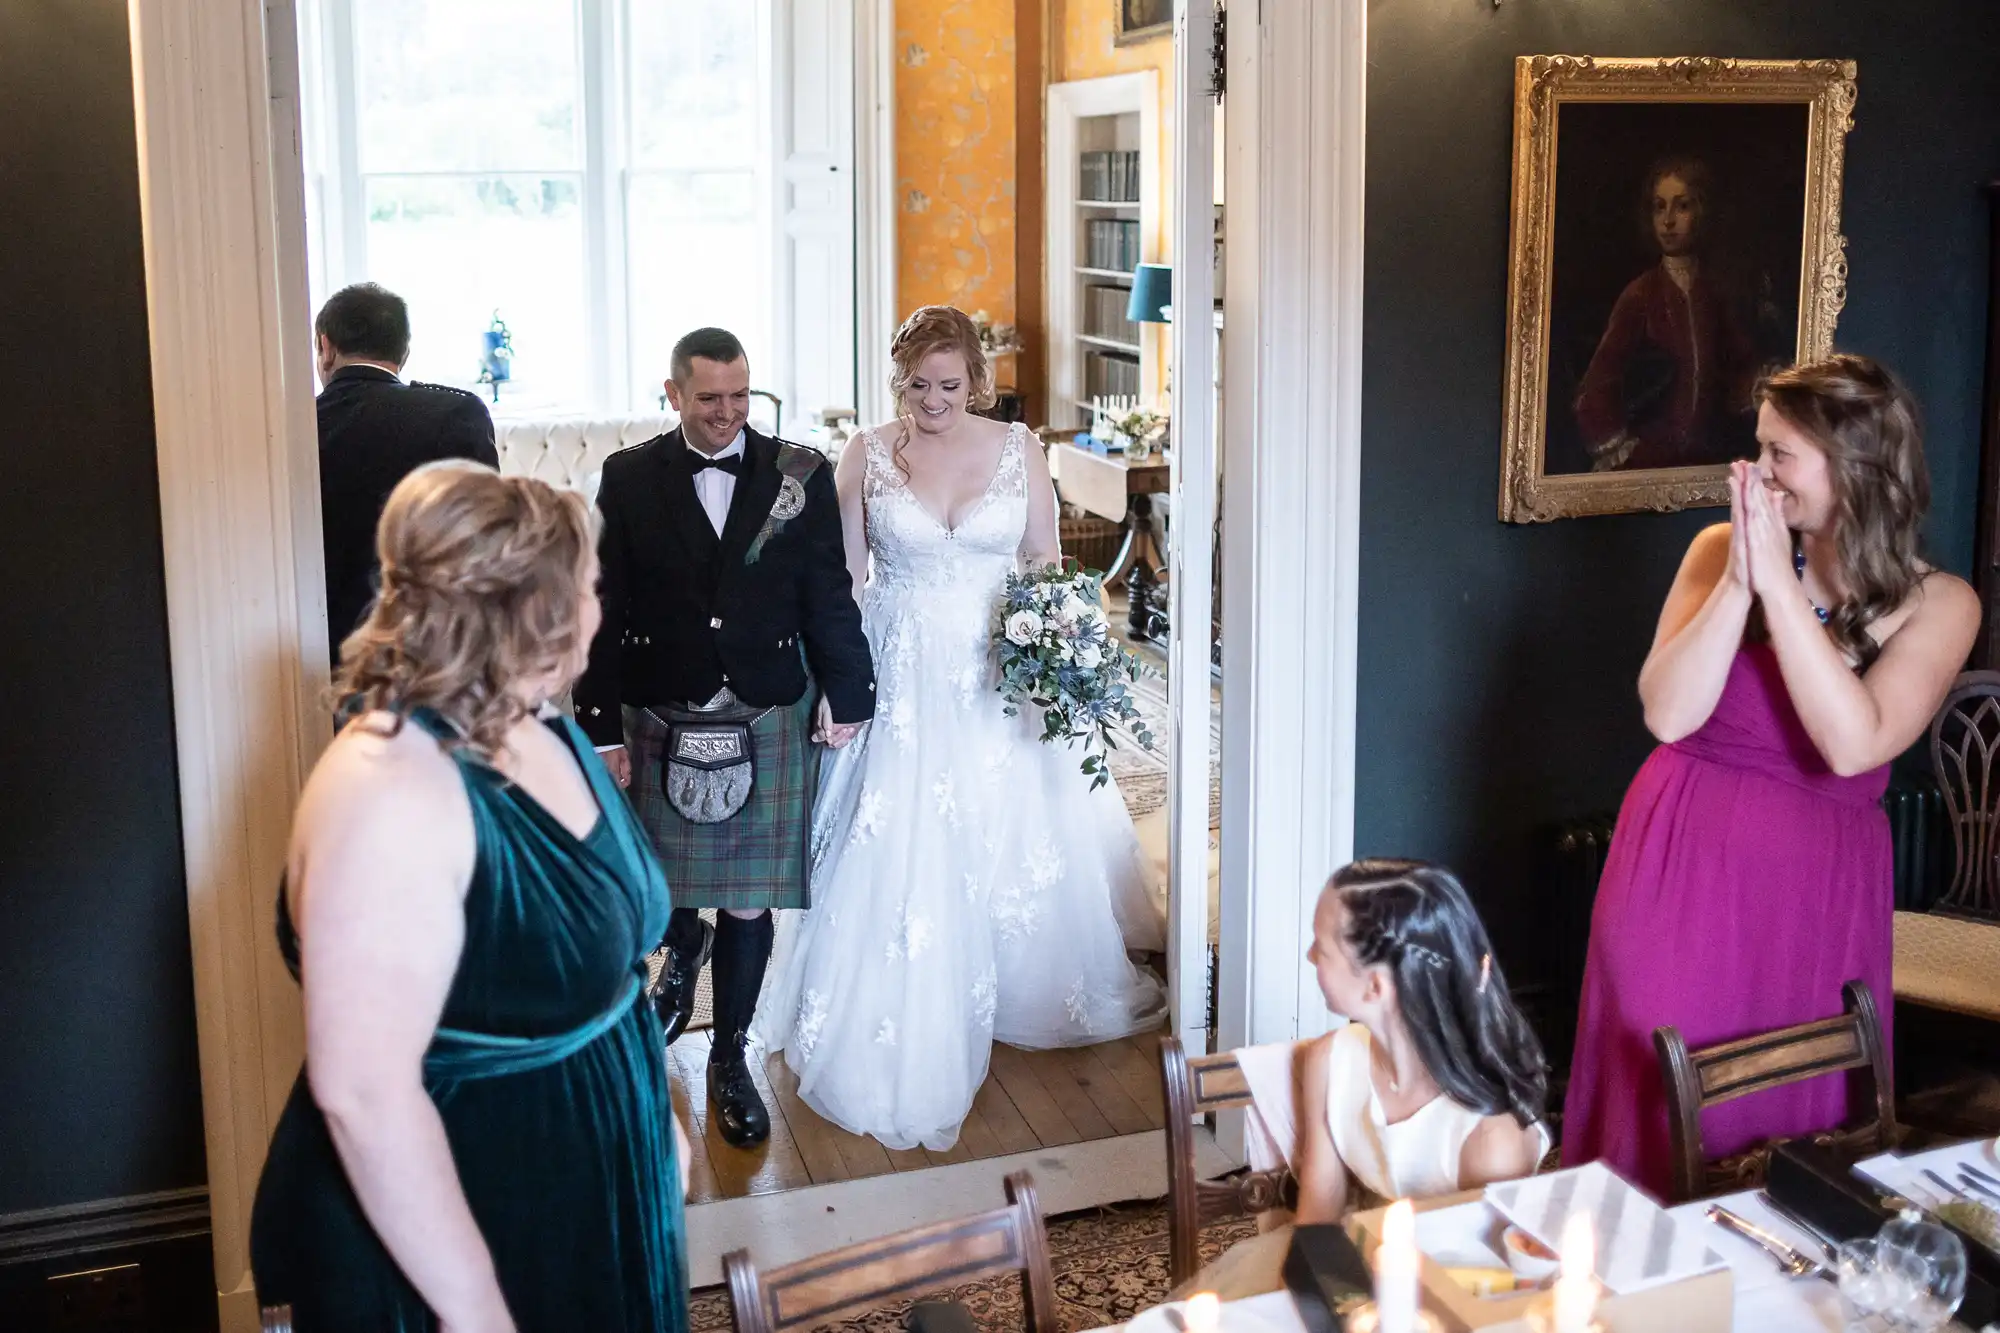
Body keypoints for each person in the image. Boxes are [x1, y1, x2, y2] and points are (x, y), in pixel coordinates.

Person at [250, 462, 688, 1332]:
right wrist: (474, 1308)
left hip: (595, 1178)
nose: (603, 603)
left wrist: (652, 1123)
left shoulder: (540, 723)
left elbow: (605, 975)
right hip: (479, 1205)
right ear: (536, 610)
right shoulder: (390, 788)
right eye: (591, 585)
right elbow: (364, 1091)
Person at [1564, 354, 1979, 1197]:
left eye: (1780, 453)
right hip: (1677, 861)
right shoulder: (1719, 549)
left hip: (1816, 892)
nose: (1756, 473)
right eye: (1758, 448)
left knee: (1792, 1099)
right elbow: (1668, 714)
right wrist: (1741, 585)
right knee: (1654, 1073)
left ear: (1854, 461)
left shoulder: (1943, 603)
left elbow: (1852, 743)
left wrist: (1784, 595)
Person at [754, 305, 1167, 1152]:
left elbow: (1045, 560)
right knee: (901, 832)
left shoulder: (1021, 451)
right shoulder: (867, 451)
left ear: (975, 380)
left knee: (1009, 816)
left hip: (997, 663)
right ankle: (905, 992)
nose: (932, 401)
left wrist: (1060, 646)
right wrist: (839, 683)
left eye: (949, 386)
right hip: (898, 663)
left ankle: (1019, 978)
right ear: (897, 378)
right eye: (917, 386)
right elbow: (843, 577)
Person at [573, 327, 875, 1149]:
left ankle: (730, 1059)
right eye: (709, 398)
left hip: (765, 704)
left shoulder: (796, 472)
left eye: (740, 397)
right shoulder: (630, 477)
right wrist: (597, 725)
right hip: (660, 705)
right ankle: (680, 951)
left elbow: (827, 590)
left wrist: (852, 689)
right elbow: (600, 604)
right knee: (665, 883)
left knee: (749, 895)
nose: (727, 414)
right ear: (672, 394)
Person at [1179, 860, 1550, 1300]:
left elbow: (1489, 1282)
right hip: (1358, 1267)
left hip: (1456, 1291)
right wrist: (1304, 1305)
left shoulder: (1490, 1140)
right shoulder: (1328, 1062)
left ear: (1374, 987)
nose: (1310, 956)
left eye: (1322, 947)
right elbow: (1319, 1213)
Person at [315, 282, 499, 661]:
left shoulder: (291, 423)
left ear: (326, 347)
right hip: (427, 645)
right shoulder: (454, 413)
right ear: (405, 352)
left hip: (315, 644)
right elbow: (487, 540)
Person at [1573, 156, 1761, 472]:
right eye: (1660, 207)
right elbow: (1598, 381)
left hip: (1707, 460)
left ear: (1702, 212)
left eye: (1682, 206)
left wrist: (1754, 390)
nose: (1668, 220)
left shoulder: (1714, 291)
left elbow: (1738, 365)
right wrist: (1622, 448)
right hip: (1650, 460)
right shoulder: (1640, 294)